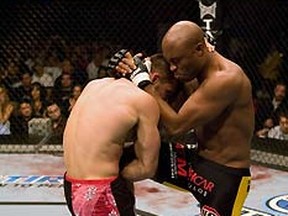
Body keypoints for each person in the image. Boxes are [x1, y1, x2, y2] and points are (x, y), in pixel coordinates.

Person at [115, 21, 255, 216]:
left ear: (199, 50)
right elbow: (161, 84)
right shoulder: (194, 67)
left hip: (224, 176)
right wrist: (140, 66)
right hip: (193, 160)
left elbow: (175, 126)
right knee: (118, 159)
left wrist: (141, 80)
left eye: (177, 61)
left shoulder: (225, 79)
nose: (172, 68)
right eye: (170, 61)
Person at [63, 66, 161, 215]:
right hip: (101, 192)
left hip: (71, 186)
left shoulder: (92, 85)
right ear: (154, 78)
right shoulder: (143, 100)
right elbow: (146, 168)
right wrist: (121, 172)